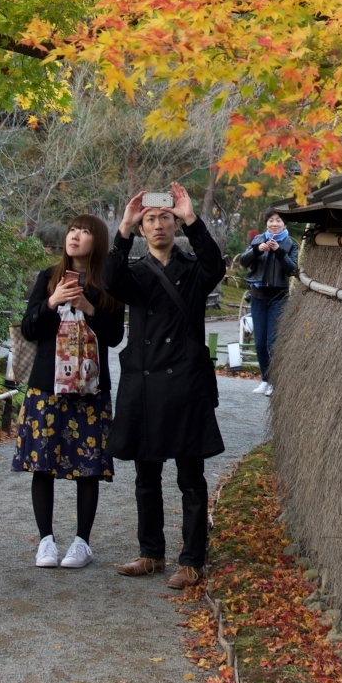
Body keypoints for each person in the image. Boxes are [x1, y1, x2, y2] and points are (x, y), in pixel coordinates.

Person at [105, 182, 226, 589]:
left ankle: (192, 560)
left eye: (166, 219)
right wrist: (123, 226)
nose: (158, 225)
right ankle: (150, 554)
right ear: (143, 229)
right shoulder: (134, 274)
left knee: (191, 478)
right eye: (151, 220)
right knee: (146, 477)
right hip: (144, 384)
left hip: (185, 385)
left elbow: (216, 264)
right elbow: (109, 279)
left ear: (175, 225)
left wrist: (192, 216)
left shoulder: (193, 270)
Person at [12, 214, 124, 570]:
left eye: (85, 232)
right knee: (41, 465)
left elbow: (115, 337)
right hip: (46, 387)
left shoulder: (108, 283)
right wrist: (52, 302)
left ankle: (82, 543)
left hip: (89, 390)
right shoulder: (48, 278)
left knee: (87, 467)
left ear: (98, 242)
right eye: (73, 229)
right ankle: (45, 541)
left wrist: (89, 307)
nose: (75, 236)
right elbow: (29, 329)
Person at [236, 213, 297, 397]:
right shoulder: (258, 239)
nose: (274, 224)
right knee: (260, 343)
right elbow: (243, 261)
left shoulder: (290, 243)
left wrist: (279, 251)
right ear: (266, 223)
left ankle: (275, 382)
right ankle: (265, 380)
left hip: (278, 298)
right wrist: (257, 250)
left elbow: (292, 269)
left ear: (284, 223)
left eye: (278, 220)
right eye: (271, 220)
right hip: (258, 297)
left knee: (272, 343)